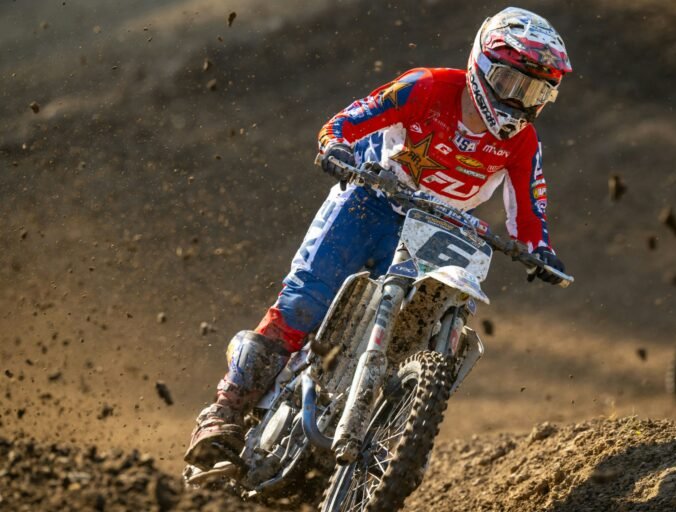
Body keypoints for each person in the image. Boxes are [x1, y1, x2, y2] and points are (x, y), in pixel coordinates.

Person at [184, 7, 572, 470]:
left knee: (416, 333)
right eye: (510, 84)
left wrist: (539, 250)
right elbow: (348, 121)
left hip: (437, 229)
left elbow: (530, 210)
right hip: (371, 201)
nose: (519, 101)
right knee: (304, 302)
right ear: (482, 67)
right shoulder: (425, 87)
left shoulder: (523, 143)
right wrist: (336, 145)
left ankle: (379, 429)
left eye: (535, 93)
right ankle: (223, 413)